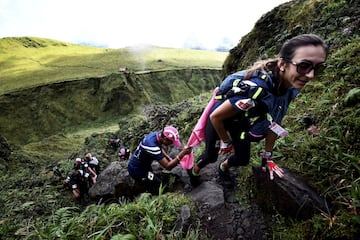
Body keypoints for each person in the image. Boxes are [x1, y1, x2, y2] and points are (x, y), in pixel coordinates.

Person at [187, 34, 328, 185]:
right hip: (219, 119)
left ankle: (223, 168)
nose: (311, 75)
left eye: (318, 68)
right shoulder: (255, 89)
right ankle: (193, 172)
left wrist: (267, 157)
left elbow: (275, 121)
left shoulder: (289, 89)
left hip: (238, 120)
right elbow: (216, 117)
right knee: (210, 155)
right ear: (282, 64)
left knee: (242, 159)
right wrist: (226, 141)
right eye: (304, 65)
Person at [127, 126, 192, 194]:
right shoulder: (151, 145)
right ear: (165, 139)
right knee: (158, 186)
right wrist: (182, 154)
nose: (171, 144)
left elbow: (159, 147)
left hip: (144, 166)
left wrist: (167, 157)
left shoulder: (155, 135)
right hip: (137, 170)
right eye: (171, 142)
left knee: (154, 181)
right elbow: (168, 166)